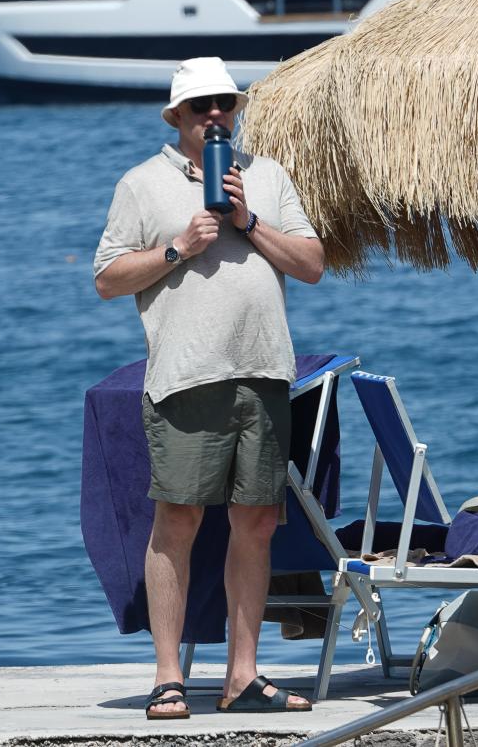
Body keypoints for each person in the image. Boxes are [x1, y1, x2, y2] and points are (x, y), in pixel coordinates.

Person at [93, 56, 324, 719]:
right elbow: (107, 278)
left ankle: (242, 676)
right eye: (201, 107)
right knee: (179, 520)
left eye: (224, 102)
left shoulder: (268, 177)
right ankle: (168, 676)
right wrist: (176, 249)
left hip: (264, 371)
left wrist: (250, 223)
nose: (215, 115)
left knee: (256, 523)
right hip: (187, 375)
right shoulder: (141, 185)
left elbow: (312, 265)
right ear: (178, 118)